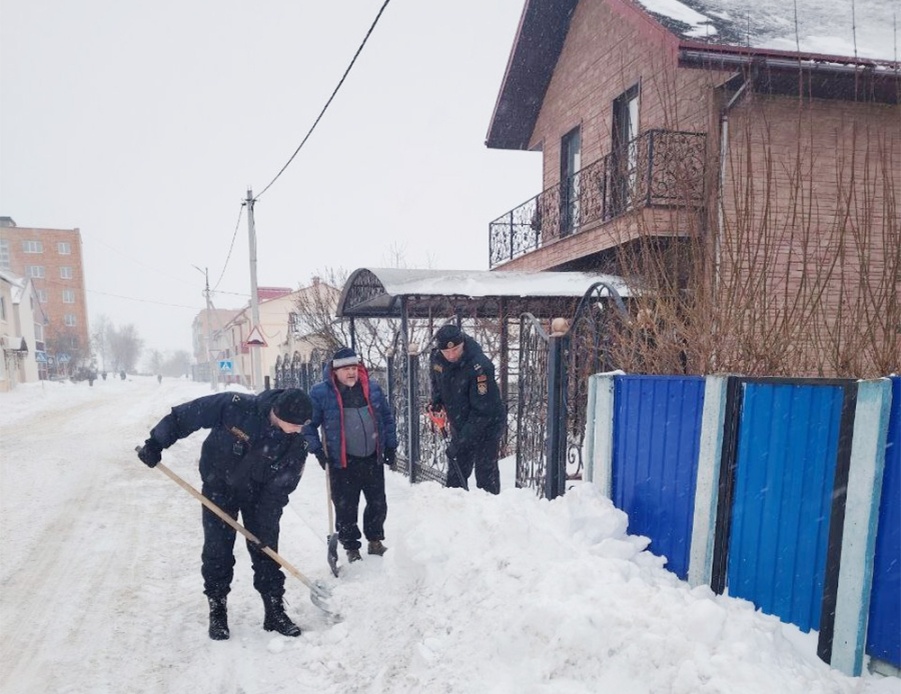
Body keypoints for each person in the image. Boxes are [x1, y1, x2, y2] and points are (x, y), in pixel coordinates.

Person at [135, 387, 312, 641]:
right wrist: (156, 442)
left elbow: (282, 487)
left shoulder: (297, 443)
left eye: (302, 425)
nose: (298, 429)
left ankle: (274, 610)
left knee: (266, 548)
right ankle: (217, 608)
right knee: (217, 548)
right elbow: (186, 416)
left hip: (260, 496)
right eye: (293, 424)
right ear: (277, 412)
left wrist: (264, 526)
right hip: (219, 486)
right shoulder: (236, 406)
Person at [305, 347, 398, 564]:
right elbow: (308, 425)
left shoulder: (372, 388)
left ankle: (375, 540)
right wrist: (317, 450)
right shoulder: (321, 393)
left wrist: (391, 446)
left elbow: (386, 418)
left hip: (371, 458)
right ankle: (351, 547)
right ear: (335, 371)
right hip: (342, 461)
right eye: (346, 369)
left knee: (377, 502)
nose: (351, 373)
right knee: (346, 506)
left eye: (354, 368)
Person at [429, 324, 505, 494]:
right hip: (461, 423)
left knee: (485, 474)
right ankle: (455, 512)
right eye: (446, 351)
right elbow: (436, 382)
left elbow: (483, 412)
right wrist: (437, 401)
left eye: (455, 349)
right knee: (456, 474)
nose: (451, 355)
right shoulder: (437, 358)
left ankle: (490, 514)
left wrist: (459, 442)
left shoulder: (480, 367)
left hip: (487, 425)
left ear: (462, 343)